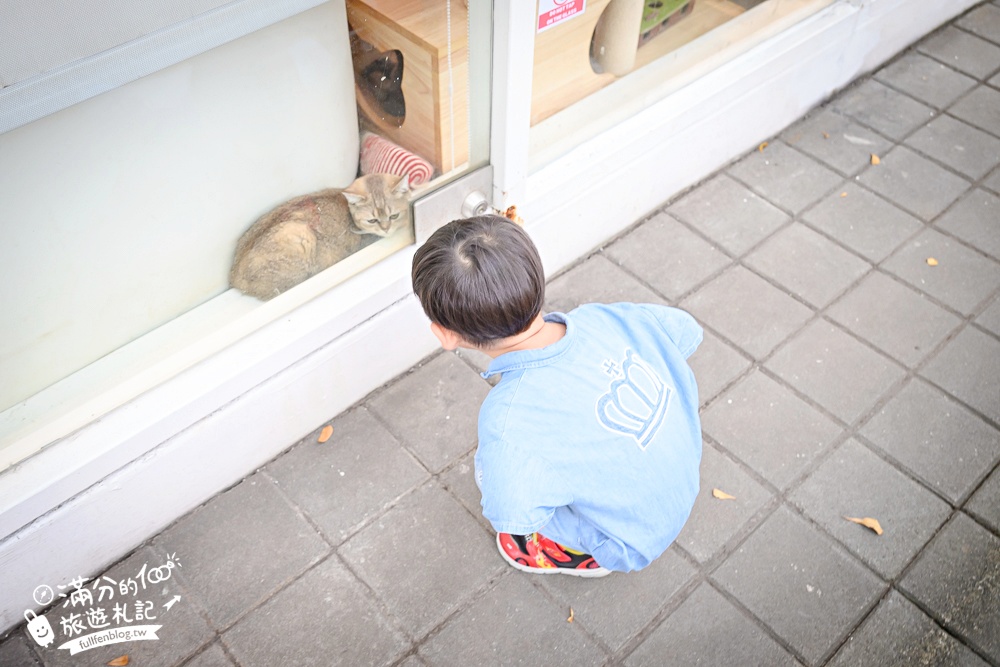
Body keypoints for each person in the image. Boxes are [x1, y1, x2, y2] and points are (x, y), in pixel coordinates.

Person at [411, 215, 703, 576]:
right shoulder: (605, 317)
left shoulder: (507, 421)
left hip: (630, 543)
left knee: (490, 473)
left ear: (446, 335)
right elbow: (685, 331)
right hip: (685, 473)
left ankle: (582, 553)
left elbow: (509, 511)